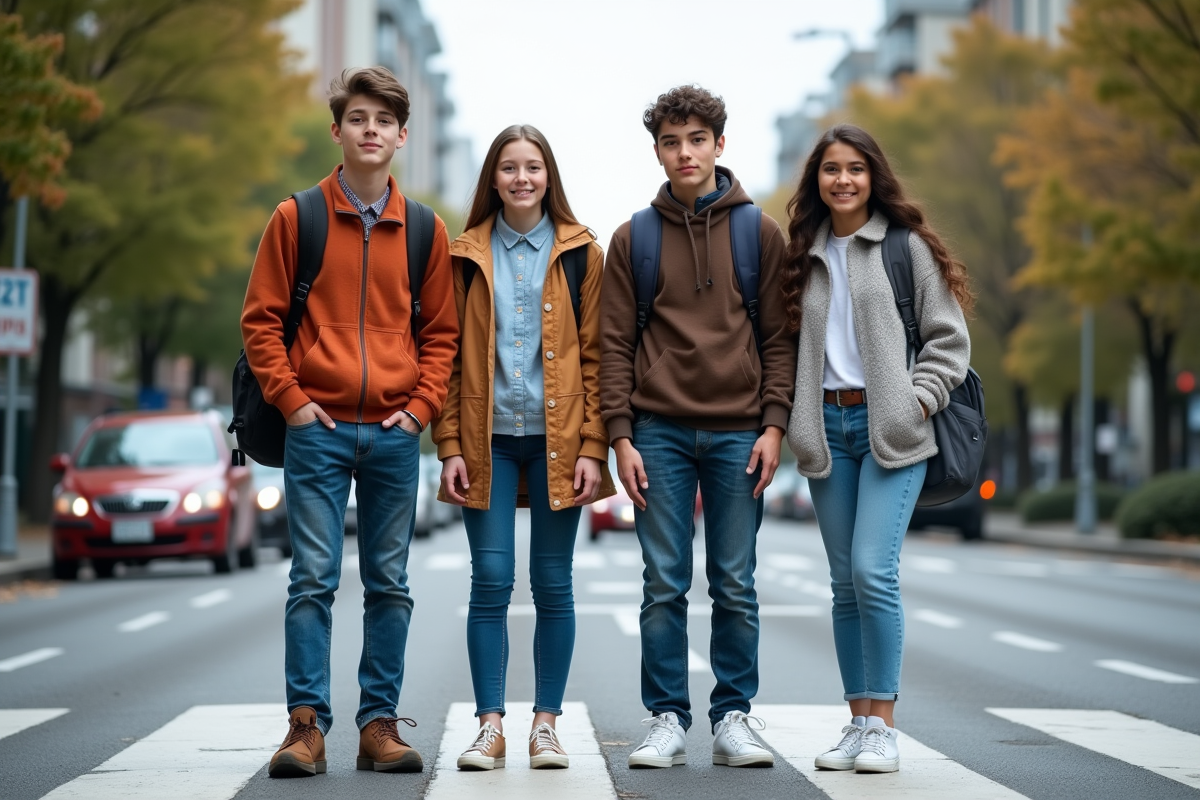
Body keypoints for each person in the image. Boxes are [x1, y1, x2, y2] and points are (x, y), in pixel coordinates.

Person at [241, 66, 459, 779]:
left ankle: (378, 726)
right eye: (358, 119)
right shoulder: (295, 217)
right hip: (318, 429)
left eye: (384, 121)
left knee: (390, 583)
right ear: (338, 131)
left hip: (395, 435)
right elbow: (260, 322)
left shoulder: (425, 228)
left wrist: (419, 411)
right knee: (313, 580)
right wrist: (294, 401)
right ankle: (306, 728)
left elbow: (442, 336)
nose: (371, 130)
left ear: (402, 135)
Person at [599, 85, 796, 769]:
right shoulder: (635, 237)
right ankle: (666, 718)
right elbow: (614, 344)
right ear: (657, 150)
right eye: (671, 142)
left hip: (741, 433)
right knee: (663, 581)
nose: (684, 153)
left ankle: (733, 716)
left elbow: (778, 339)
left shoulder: (757, 233)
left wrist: (774, 426)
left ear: (719, 143)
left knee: (735, 581)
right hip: (658, 434)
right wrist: (620, 436)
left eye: (696, 139)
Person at [783, 124, 972, 773]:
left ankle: (884, 727)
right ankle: (858, 722)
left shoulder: (904, 246)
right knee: (842, 584)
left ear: (873, 176)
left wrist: (913, 400)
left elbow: (948, 340)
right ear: (817, 180)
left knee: (872, 570)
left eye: (855, 168)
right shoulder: (800, 253)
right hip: (826, 435)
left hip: (890, 432)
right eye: (831, 169)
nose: (843, 179)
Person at [433, 124, 615, 772]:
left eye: (532, 167)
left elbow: (595, 357)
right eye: (508, 168)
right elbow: (448, 360)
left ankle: (545, 725)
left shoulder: (580, 254)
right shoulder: (464, 254)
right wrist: (448, 442)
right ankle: (489, 727)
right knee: (490, 580)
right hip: (488, 442)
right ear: (493, 178)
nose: (521, 179)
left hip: (558, 444)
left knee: (552, 582)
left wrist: (595, 444)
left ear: (548, 176)